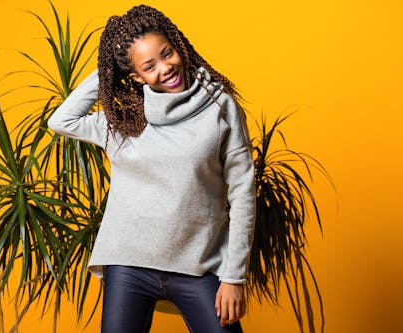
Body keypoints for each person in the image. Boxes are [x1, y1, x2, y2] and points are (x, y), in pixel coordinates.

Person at [47, 5, 255, 333]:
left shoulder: (220, 106)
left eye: (167, 53)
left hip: (199, 267)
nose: (165, 67)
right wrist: (108, 68)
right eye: (149, 66)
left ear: (178, 45)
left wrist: (233, 277)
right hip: (128, 266)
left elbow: (243, 193)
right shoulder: (124, 120)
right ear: (134, 76)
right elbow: (61, 120)